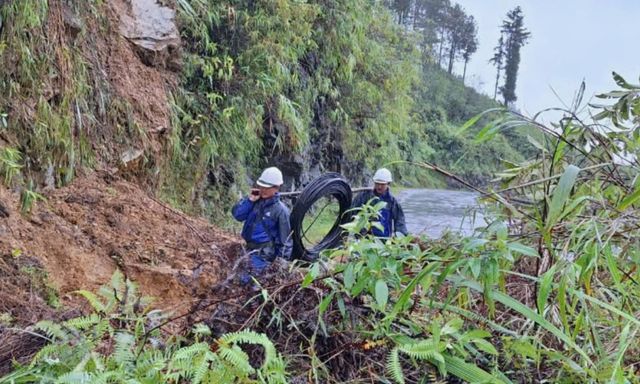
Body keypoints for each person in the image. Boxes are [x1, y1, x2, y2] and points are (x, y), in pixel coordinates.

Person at [232, 167, 292, 284]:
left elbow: (286, 241)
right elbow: (238, 215)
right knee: (231, 277)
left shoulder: (281, 211)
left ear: (276, 187)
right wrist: (250, 200)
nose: (263, 189)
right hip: (247, 250)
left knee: (245, 282)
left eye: (267, 187)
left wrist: (281, 265)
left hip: (263, 256)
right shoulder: (255, 201)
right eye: (261, 186)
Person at [351, 168, 408, 238]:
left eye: (382, 184)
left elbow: (400, 223)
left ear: (388, 184)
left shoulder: (392, 202)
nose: (379, 187)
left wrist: (399, 238)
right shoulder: (363, 196)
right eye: (377, 183)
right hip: (363, 238)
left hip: (384, 240)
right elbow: (351, 213)